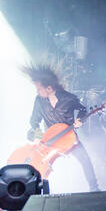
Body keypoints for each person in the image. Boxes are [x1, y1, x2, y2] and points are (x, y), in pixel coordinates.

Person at [24, 63, 100, 192]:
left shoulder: (69, 98)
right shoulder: (39, 100)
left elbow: (82, 109)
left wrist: (80, 120)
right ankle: (35, 190)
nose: (37, 92)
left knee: (85, 160)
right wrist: (38, 136)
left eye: (39, 89)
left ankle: (95, 188)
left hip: (68, 138)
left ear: (48, 88)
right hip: (50, 141)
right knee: (40, 166)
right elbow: (34, 121)